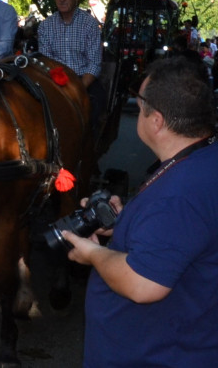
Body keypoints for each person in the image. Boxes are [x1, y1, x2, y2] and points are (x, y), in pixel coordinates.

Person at [64, 58, 218, 367]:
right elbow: (181, 236)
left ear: (157, 121)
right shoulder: (200, 158)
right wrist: (122, 225)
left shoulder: (180, 194)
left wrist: (92, 253)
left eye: (141, 99)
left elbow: (142, 283)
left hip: (154, 355)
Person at [37, 0, 104, 122]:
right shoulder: (45, 26)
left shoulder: (89, 24)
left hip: (83, 80)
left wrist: (78, 87)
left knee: (96, 106)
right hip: (54, 80)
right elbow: (46, 61)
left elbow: (94, 63)